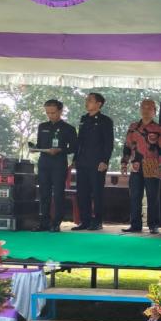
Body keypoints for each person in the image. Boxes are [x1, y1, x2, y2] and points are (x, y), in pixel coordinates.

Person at [121, 99, 161, 234]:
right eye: (143, 107)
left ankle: (153, 225)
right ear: (140, 109)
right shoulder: (133, 127)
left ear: (154, 111)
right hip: (135, 164)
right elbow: (127, 146)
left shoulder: (160, 129)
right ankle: (135, 224)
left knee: (153, 196)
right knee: (135, 196)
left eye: (149, 108)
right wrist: (124, 162)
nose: (146, 110)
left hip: (152, 165)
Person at [33, 99, 77, 232]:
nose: (50, 115)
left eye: (53, 112)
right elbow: (39, 144)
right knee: (44, 193)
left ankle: (56, 222)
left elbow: (74, 148)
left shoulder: (68, 128)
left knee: (58, 193)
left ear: (60, 111)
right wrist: (34, 148)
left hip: (59, 163)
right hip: (44, 163)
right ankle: (44, 222)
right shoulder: (42, 126)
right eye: (47, 113)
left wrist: (60, 150)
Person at [72, 92, 114, 231]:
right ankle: (85, 221)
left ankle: (97, 221)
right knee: (82, 192)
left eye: (90, 100)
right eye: (87, 100)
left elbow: (108, 143)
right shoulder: (83, 119)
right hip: (82, 161)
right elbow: (79, 141)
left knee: (97, 192)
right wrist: (75, 159)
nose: (87, 102)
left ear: (98, 104)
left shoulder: (105, 120)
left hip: (97, 163)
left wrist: (104, 160)